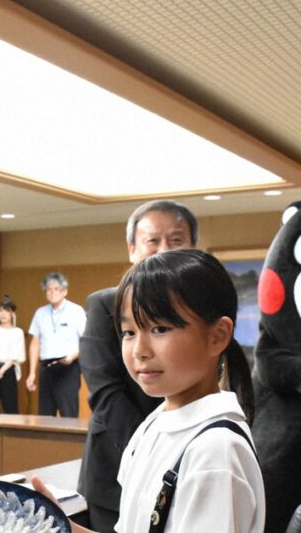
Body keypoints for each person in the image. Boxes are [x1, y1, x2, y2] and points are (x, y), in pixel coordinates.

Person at [34, 249, 263, 532]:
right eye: (129, 332)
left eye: (160, 328)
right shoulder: (155, 424)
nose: (139, 350)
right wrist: (59, 526)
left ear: (217, 336)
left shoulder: (216, 452)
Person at [78, 199, 198, 531]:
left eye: (176, 240)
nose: (163, 250)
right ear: (132, 249)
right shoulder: (105, 305)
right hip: (119, 471)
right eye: (152, 240)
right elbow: (107, 395)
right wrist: (157, 456)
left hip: (190, 463)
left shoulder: (203, 312)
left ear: (193, 248)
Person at [27, 272, 87, 417]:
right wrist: (31, 373)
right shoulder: (40, 313)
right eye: (48, 289)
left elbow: (86, 340)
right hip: (46, 368)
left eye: (56, 289)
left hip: (68, 367)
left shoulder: (76, 311)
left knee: (68, 413)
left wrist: (72, 356)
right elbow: (35, 343)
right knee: (45, 414)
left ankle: (70, 440)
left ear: (65, 291)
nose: (52, 293)